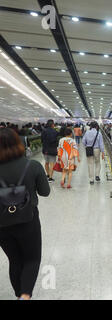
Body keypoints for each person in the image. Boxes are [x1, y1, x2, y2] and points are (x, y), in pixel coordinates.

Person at [0, 128, 50, 300]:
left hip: (2, 223)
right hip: (28, 219)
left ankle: (18, 294)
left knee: (14, 259)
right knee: (32, 259)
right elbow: (45, 192)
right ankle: (25, 295)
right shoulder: (32, 165)